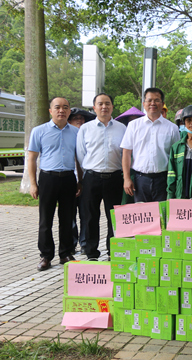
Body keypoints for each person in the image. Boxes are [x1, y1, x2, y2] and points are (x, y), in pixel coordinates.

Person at [28, 97, 82, 271]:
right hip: (48, 179)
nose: (61, 110)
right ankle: (46, 255)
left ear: (69, 111)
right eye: (57, 107)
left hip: (68, 179)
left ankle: (65, 253)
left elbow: (79, 159)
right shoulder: (39, 131)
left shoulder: (76, 132)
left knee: (67, 219)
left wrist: (80, 181)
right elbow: (32, 158)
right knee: (46, 220)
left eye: (65, 107)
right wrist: (33, 184)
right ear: (50, 111)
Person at [76, 93, 126, 260]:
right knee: (90, 216)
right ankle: (91, 252)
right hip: (92, 178)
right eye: (100, 104)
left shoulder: (122, 128)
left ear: (112, 106)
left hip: (115, 178)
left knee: (115, 216)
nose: (104, 107)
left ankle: (113, 251)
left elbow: (125, 154)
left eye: (107, 103)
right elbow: (81, 154)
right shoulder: (85, 129)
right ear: (94, 107)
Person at [121, 87, 180, 202]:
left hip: (163, 180)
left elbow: (176, 156)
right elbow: (126, 153)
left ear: (162, 104)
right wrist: (127, 178)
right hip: (140, 180)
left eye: (157, 100)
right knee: (142, 212)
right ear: (144, 103)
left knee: (162, 212)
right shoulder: (133, 126)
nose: (153, 103)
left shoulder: (172, 128)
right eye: (149, 100)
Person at [67, 108, 95, 254]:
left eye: (82, 118)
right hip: (69, 180)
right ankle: (71, 244)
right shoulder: (66, 135)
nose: (79, 120)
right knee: (69, 215)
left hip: (86, 179)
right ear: (69, 121)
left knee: (86, 214)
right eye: (76, 118)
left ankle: (85, 243)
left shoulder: (89, 134)